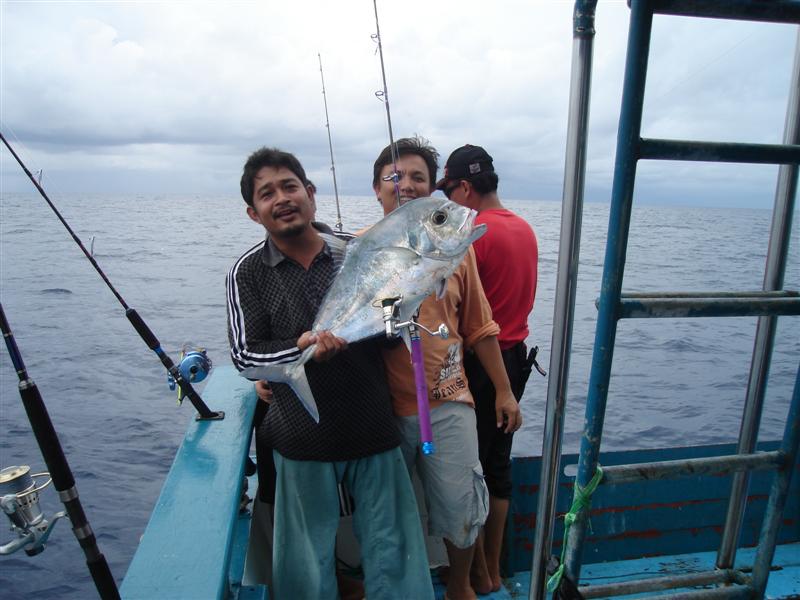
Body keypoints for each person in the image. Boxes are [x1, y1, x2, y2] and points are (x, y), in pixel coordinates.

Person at [227, 146, 434, 600]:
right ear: (253, 212)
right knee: (304, 569)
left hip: (373, 429)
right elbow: (245, 356)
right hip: (302, 439)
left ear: (311, 193)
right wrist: (298, 349)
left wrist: (411, 292)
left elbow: (387, 328)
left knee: (396, 556)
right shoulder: (247, 272)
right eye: (267, 193)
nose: (281, 198)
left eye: (290, 186)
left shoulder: (357, 250)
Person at [371, 136, 522, 600]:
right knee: (386, 517)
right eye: (395, 176)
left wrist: (503, 390)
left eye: (418, 176)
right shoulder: (360, 250)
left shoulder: (457, 251)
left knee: (462, 509)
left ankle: (460, 588)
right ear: (377, 189)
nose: (407, 185)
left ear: (433, 190)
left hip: (449, 398)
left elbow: (480, 326)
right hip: (382, 409)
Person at [436, 144, 538, 593]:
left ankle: (474, 574)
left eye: (449, 192)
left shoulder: (474, 232)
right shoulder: (525, 229)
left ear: (465, 187)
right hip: (515, 364)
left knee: (468, 470)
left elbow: (464, 315)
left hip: (479, 365)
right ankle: (492, 570)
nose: (448, 204)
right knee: (497, 467)